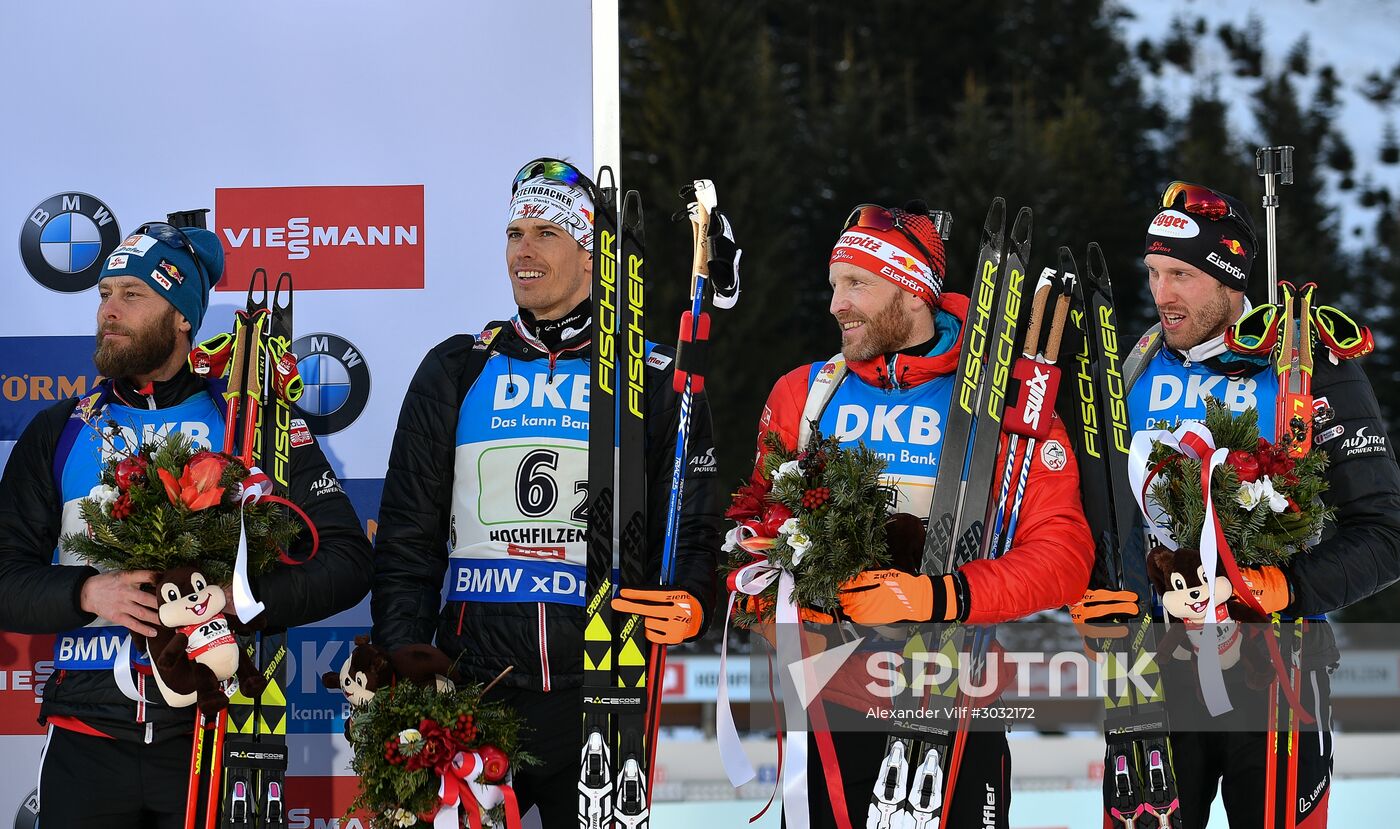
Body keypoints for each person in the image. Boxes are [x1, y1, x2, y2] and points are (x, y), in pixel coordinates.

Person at [370, 157, 723, 822]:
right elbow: (407, 539)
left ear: (592, 254)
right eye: (514, 233)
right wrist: (405, 667)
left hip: (609, 679)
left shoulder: (652, 378)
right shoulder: (458, 366)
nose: (522, 250)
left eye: (546, 233)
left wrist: (695, 600)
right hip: (477, 690)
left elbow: (697, 525)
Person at [0, 222, 374, 828]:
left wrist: (237, 599)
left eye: (132, 295)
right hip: (86, 738)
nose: (108, 312)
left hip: (212, 738)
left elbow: (348, 560)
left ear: (182, 318)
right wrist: (88, 592)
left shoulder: (253, 425)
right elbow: (4, 575)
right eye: (103, 294)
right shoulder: (61, 428)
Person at [741, 202, 1095, 828]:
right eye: (833, 286)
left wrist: (941, 596)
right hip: (834, 705)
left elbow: (1063, 555)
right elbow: (752, 532)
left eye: (857, 285)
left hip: (959, 706)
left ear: (910, 292)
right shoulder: (806, 393)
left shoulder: (1005, 400)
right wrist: (767, 614)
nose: (836, 305)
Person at [1075, 180, 1400, 827]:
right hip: (1153, 677)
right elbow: (1097, 523)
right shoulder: (1132, 367)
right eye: (1154, 272)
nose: (1161, 293)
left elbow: (1386, 532)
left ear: (1229, 278)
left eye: (1181, 275)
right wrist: (1096, 597)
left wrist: (1287, 586)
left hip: (1274, 673)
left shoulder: (1306, 365)